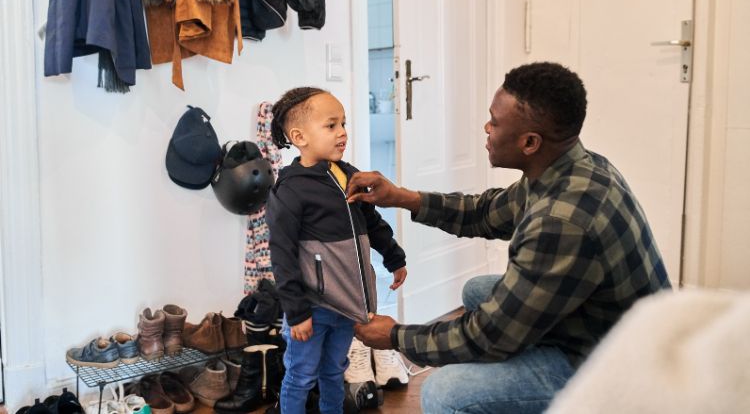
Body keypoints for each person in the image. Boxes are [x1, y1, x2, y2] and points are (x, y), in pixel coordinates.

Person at [347, 62, 672, 414]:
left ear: (530, 142)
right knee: (477, 291)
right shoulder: (573, 168)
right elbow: (485, 213)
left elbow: (488, 335)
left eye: (494, 122)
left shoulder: (561, 221)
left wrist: (395, 337)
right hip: (614, 329)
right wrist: (400, 197)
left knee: (446, 392)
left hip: (624, 369)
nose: (486, 128)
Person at [266, 87, 408, 414]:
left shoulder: (348, 174)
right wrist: (297, 312)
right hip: (311, 308)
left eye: (343, 123)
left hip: (347, 304)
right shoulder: (290, 188)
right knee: (300, 376)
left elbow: (371, 220)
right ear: (299, 136)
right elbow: (282, 254)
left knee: (334, 371)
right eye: (331, 126)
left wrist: (394, 257)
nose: (342, 132)